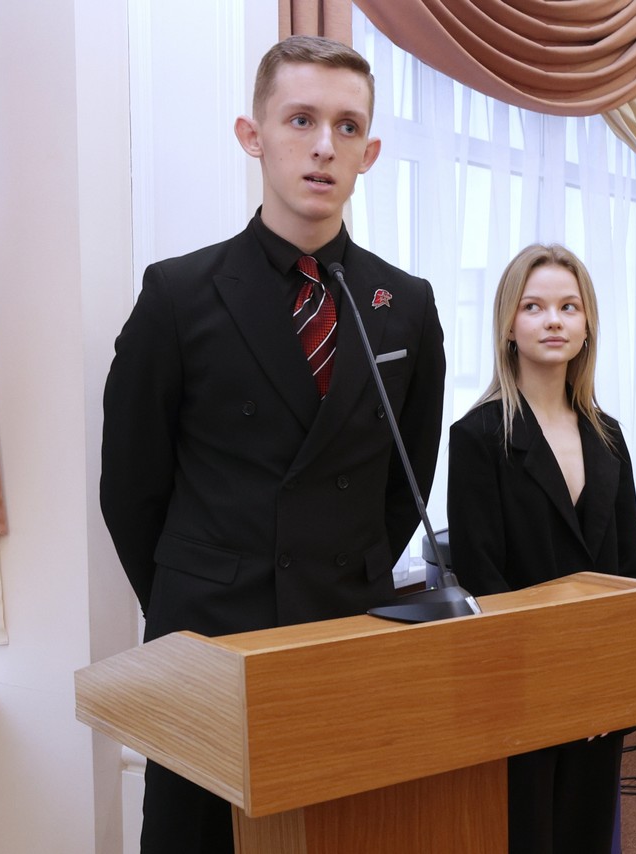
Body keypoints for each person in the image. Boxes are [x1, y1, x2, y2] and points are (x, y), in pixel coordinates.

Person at [100, 35, 446, 854]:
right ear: (251, 136)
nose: (324, 145)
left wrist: (344, 569)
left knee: (335, 836)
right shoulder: (178, 293)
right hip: (208, 639)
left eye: (347, 126)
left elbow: (407, 475)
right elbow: (131, 488)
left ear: (369, 152)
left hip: (342, 627)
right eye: (300, 120)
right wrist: (189, 596)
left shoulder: (406, 303)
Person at [446, 244, 636, 854]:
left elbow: (631, 570)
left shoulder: (609, 436)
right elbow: (483, 579)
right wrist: (557, 683)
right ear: (509, 325)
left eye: (568, 307)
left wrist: (617, 686)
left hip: (600, 679)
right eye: (533, 307)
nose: (553, 320)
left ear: (587, 328)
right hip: (523, 684)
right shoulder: (478, 436)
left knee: (587, 832)